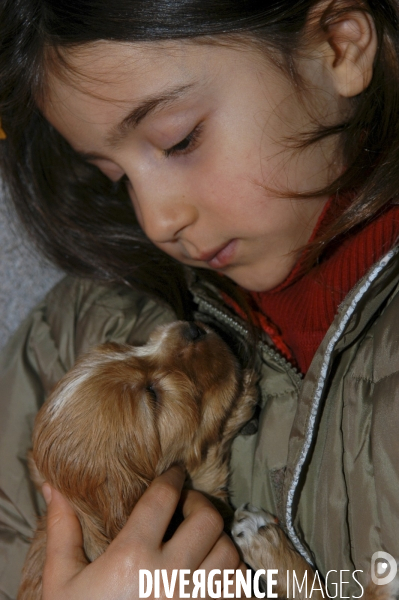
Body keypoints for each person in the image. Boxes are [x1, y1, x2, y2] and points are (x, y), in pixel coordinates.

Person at [1, 0, 399, 598]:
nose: (157, 220)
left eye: (179, 139)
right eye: (118, 176)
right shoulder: (73, 332)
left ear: (339, 45)